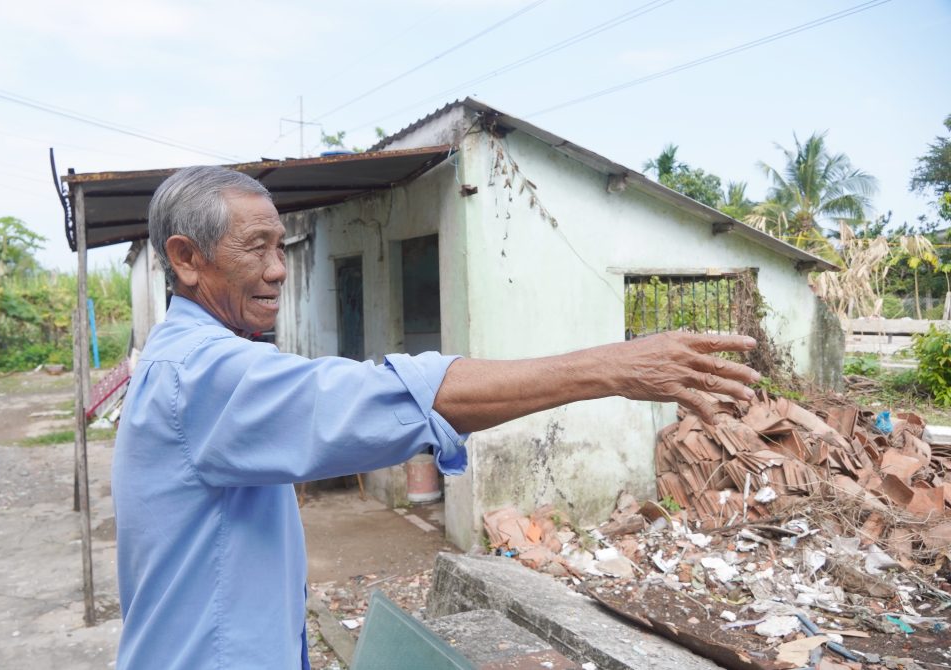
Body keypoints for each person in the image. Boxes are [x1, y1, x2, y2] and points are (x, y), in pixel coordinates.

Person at [112, 166, 760, 669]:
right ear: (186, 259)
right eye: (257, 248)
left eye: (281, 247)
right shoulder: (198, 374)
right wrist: (611, 369)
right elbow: (375, 400)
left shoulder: (192, 360)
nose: (279, 269)